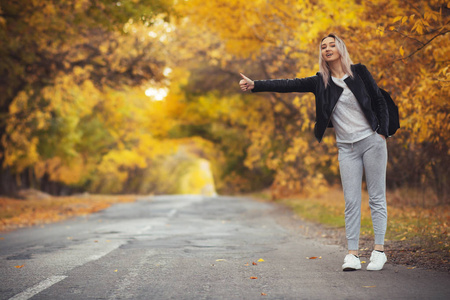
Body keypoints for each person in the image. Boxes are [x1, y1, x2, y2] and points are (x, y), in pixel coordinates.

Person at [239, 33, 389, 271]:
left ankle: (379, 251)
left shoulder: (359, 72)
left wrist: (382, 132)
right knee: (351, 202)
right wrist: (256, 85)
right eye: (323, 47)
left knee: (376, 198)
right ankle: (352, 255)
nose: (327, 49)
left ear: (340, 48)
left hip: (372, 142)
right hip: (346, 148)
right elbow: (289, 84)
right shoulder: (321, 81)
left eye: (331, 45)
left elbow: (379, 100)